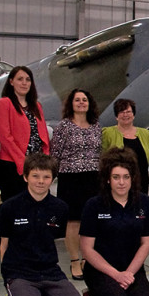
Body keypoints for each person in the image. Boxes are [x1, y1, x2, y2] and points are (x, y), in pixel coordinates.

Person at [0, 153, 88, 296]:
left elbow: (54, 237)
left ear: (52, 179)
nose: (40, 181)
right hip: (20, 273)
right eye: (35, 176)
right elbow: (4, 244)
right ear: (25, 177)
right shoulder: (9, 207)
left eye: (46, 177)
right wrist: (8, 276)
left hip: (50, 272)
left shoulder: (60, 208)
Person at [79, 148, 149, 296]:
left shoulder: (143, 202)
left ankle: (120, 291)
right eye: (116, 177)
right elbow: (87, 249)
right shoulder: (94, 205)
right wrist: (115, 274)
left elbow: (145, 243)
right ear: (107, 179)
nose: (121, 182)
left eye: (126, 177)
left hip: (132, 268)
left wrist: (128, 273)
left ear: (132, 178)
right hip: (102, 270)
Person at [50, 89, 102, 280]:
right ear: (71, 104)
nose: (81, 103)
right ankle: (74, 260)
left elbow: (99, 152)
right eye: (77, 100)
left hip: (92, 178)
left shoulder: (96, 126)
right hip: (70, 177)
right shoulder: (64, 126)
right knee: (73, 221)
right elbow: (55, 153)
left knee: (90, 220)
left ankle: (88, 258)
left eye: (84, 100)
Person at [0, 66, 50, 201]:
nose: (24, 83)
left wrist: (45, 160)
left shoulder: (37, 106)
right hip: (12, 166)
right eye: (20, 79)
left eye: (28, 79)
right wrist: (23, 162)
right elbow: (5, 137)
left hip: (36, 165)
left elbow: (43, 135)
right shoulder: (4, 103)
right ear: (11, 82)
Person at [101, 98, 149, 194]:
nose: (125, 115)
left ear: (133, 115)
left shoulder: (146, 134)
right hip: (119, 182)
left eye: (128, 111)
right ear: (116, 116)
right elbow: (102, 157)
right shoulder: (107, 133)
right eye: (121, 112)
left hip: (142, 180)